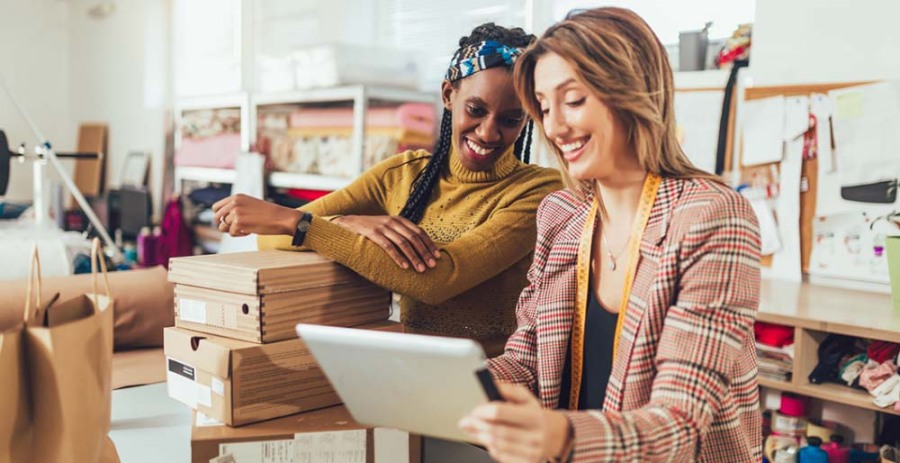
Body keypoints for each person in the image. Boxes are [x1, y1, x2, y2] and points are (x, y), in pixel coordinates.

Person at [459, 8, 762, 462]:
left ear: (632, 92)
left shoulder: (711, 216)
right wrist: (459, 384)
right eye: (543, 107)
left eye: (574, 100)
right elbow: (528, 361)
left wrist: (559, 436)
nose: (556, 126)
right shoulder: (560, 216)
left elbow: (677, 424)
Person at [212, 24, 562, 352]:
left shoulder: (539, 192)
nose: (488, 132)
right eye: (476, 109)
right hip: (406, 369)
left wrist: (303, 224)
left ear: (527, 118)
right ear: (448, 95)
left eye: (510, 119)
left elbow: (438, 280)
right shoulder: (402, 174)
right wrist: (344, 222)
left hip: (494, 387)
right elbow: (270, 236)